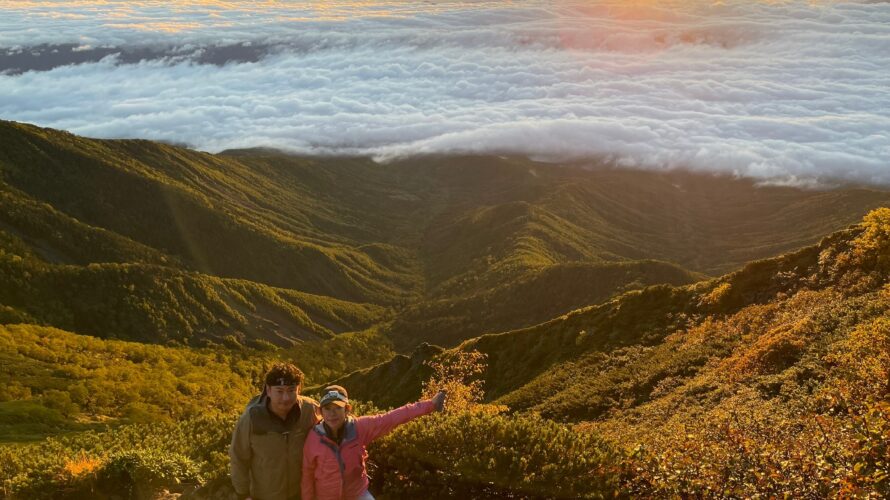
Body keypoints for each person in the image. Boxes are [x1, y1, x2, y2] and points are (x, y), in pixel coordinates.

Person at [301, 385, 446, 500]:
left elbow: (391, 418)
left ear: (347, 410)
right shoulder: (314, 438)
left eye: (338, 408)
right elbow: (307, 475)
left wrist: (430, 405)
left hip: (357, 494)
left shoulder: (360, 428)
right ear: (320, 411)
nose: (332, 414)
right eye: (327, 409)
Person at [230, 362, 320, 500]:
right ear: (268, 390)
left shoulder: (310, 410)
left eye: (291, 390)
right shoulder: (252, 418)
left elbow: (337, 422)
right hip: (264, 496)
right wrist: (243, 494)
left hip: (301, 494)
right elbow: (238, 457)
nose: (286, 398)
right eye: (279, 391)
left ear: (299, 389)